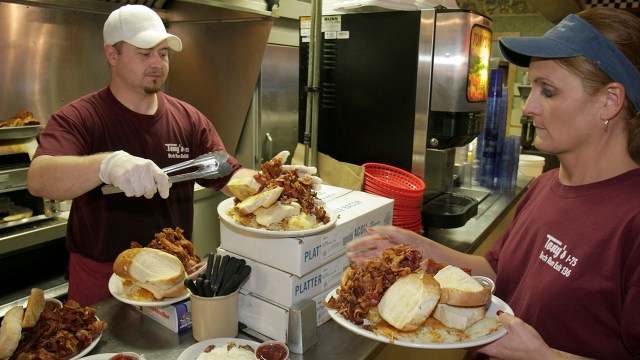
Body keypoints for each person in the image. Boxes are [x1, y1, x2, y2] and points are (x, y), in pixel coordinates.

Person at [347, 7, 640, 359]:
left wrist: (541, 356)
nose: (529, 107)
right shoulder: (545, 186)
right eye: (532, 88)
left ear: (609, 101)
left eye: (548, 91)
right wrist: (423, 250)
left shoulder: (631, 219)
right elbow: (501, 274)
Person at [26, 4, 298, 306]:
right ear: (112, 55)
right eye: (145, 53)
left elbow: (230, 176)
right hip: (101, 274)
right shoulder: (80, 117)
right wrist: (108, 164)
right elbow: (39, 179)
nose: (157, 63)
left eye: (163, 53)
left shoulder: (188, 119)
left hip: (173, 273)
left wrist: (276, 184)